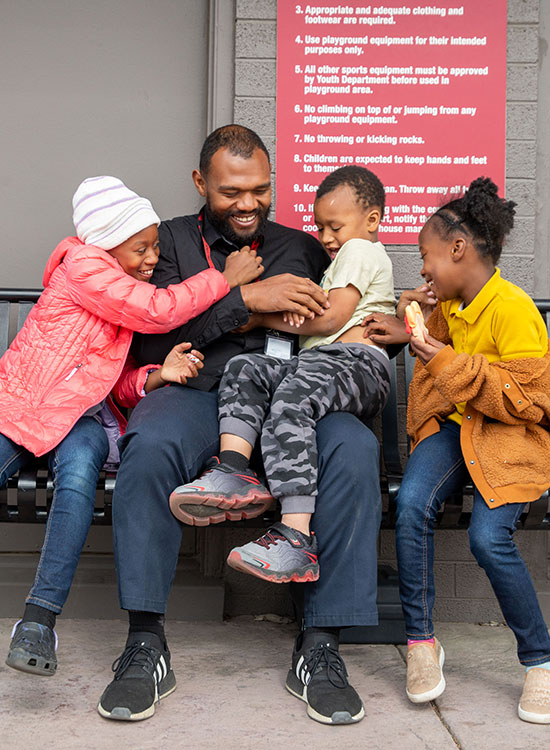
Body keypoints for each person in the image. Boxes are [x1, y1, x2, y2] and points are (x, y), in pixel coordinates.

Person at [97, 125, 383, 726]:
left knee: (353, 448)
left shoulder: (304, 246)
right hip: (199, 394)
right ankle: (145, 642)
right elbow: (151, 336)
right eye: (231, 192)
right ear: (201, 183)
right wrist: (246, 301)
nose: (248, 203)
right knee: (148, 447)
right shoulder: (169, 243)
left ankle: (320, 644)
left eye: (260, 189)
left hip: (286, 401)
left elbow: (346, 318)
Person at [2, 175, 262, 678]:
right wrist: (224, 280)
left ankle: (38, 620)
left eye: (155, 247)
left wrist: (156, 376)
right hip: (24, 406)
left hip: (78, 416)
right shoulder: (86, 267)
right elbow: (158, 310)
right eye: (141, 248)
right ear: (106, 243)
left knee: (78, 480)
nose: (151, 260)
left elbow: (108, 379)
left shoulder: (116, 292)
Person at [365, 177, 550, 724]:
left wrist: (440, 359)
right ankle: (422, 643)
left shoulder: (512, 309)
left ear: (458, 249)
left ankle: (539, 662)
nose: (421, 269)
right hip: (453, 430)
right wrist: (409, 323)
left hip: (508, 436)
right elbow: (426, 328)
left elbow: (529, 401)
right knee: (413, 505)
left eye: (425, 257)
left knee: (488, 538)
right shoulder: (453, 302)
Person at [170, 165, 395, 586]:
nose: (326, 238)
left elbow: (332, 320)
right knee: (246, 368)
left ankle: (296, 535)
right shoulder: (342, 257)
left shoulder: (360, 250)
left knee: (292, 399)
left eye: (335, 227)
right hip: (323, 363)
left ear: (371, 221)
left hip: (356, 363)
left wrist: (259, 319)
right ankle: (233, 469)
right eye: (320, 227)